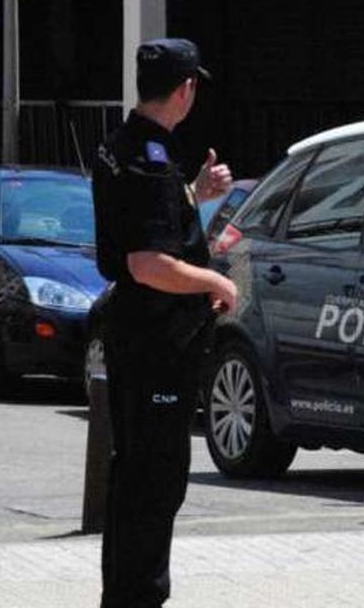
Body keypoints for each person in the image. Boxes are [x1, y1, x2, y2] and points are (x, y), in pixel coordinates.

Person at [92, 37, 237, 607]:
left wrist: (195, 196)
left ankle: (123, 597)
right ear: (186, 89)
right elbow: (147, 263)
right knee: (154, 484)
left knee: (133, 480)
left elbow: (146, 228)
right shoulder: (151, 161)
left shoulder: (121, 146)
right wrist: (216, 283)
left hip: (134, 336)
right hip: (157, 344)